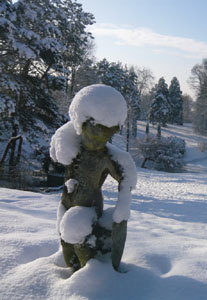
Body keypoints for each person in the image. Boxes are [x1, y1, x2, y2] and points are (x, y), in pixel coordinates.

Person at [50, 84, 137, 271]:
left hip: (88, 208)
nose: (99, 140)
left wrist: (122, 206)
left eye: (106, 136)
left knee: (79, 239)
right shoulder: (72, 143)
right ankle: (74, 273)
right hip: (67, 202)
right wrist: (63, 139)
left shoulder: (106, 157)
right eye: (96, 132)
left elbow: (127, 177)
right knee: (66, 245)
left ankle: (89, 274)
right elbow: (56, 154)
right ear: (83, 124)